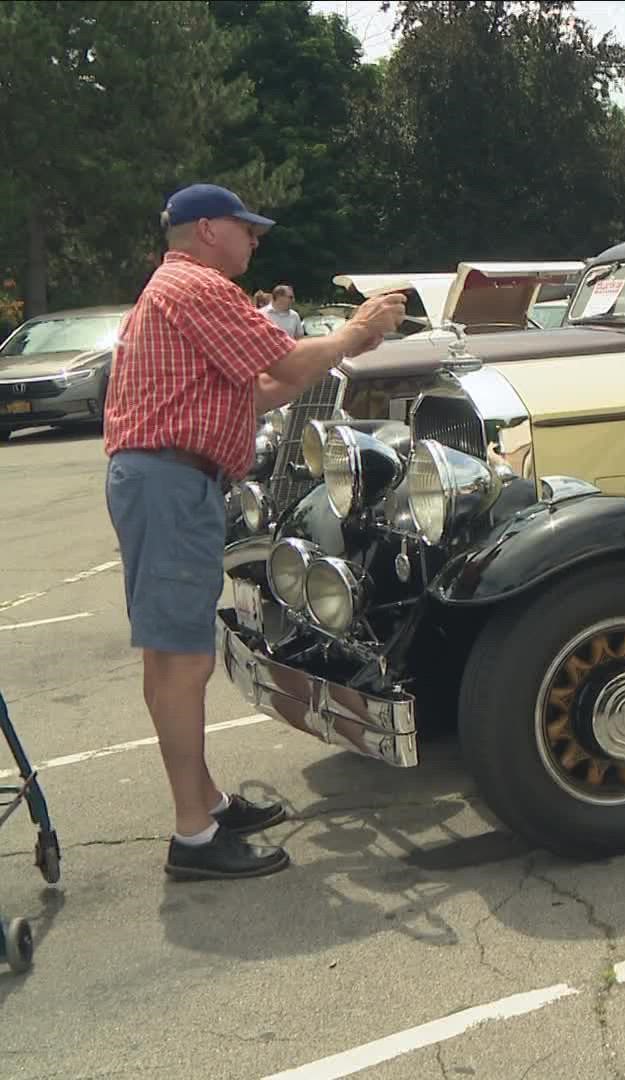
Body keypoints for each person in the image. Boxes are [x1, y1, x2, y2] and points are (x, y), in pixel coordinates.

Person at [102, 182, 405, 881]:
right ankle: (195, 836)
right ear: (207, 229)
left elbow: (263, 389)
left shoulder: (175, 290)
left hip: (163, 479)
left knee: (171, 654)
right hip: (171, 482)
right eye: (247, 227)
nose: (256, 239)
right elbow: (286, 364)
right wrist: (357, 333)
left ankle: (204, 802)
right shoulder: (197, 287)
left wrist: (328, 349)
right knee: (182, 661)